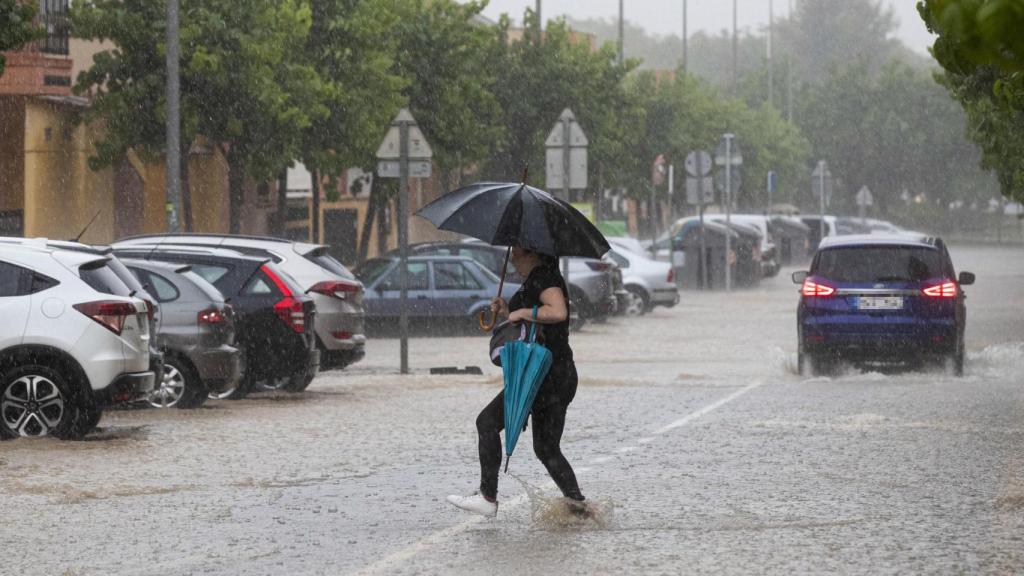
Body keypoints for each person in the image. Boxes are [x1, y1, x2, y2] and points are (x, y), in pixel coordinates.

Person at [447, 246, 585, 518]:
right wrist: (508, 309)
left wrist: (522, 313)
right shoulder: (542, 277)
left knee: (487, 423)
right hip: (555, 375)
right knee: (546, 448)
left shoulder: (544, 277)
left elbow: (557, 311)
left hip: (543, 375)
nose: (512, 259)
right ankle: (579, 508)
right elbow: (533, 322)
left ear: (534, 253)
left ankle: (488, 497)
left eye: (517, 254)